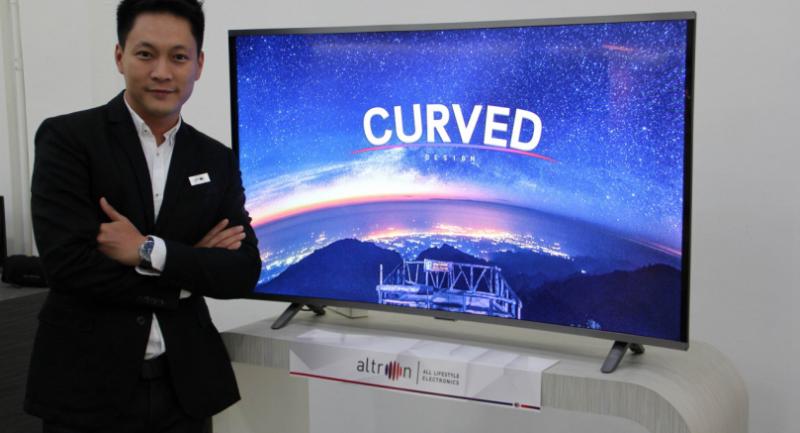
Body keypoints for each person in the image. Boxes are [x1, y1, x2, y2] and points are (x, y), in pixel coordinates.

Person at [24, 0, 261, 431]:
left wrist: (147, 250)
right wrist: (189, 267)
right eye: (146, 54)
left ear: (199, 64)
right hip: (86, 389)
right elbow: (68, 266)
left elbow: (242, 271)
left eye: (179, 57)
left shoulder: (216, 158)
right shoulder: (68, 140)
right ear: (120, 56)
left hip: (184, 389)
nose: (162, 72)